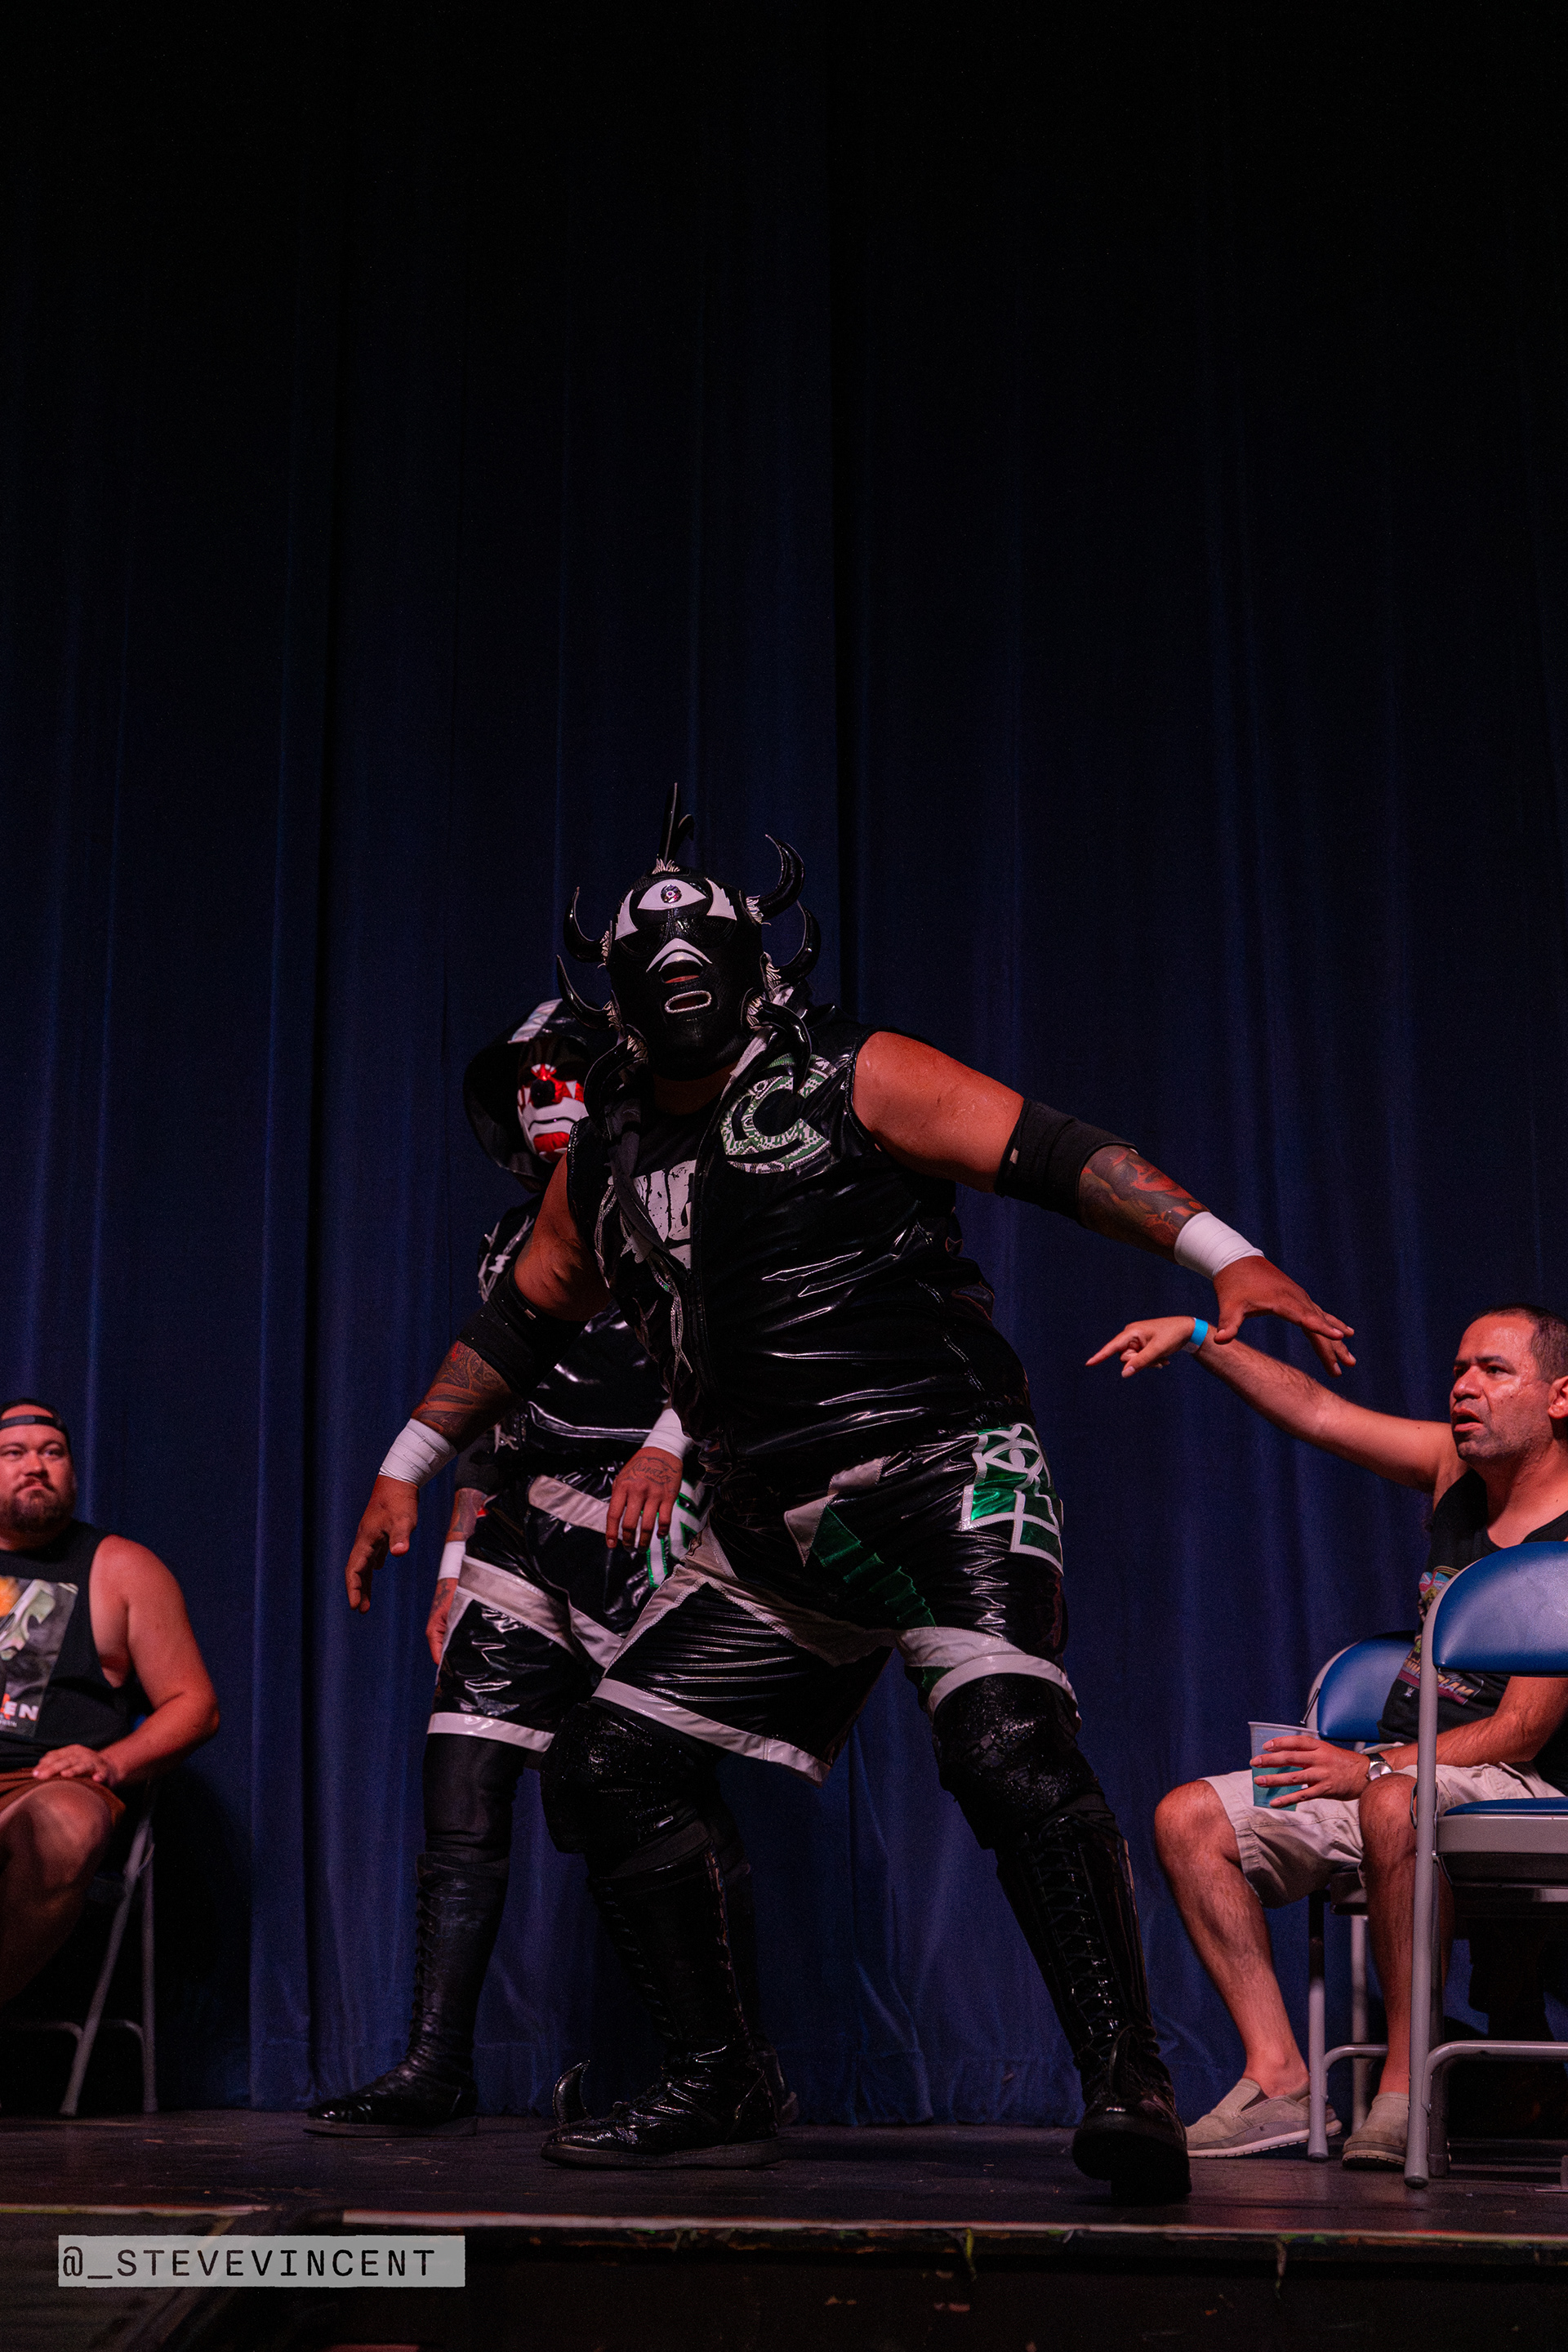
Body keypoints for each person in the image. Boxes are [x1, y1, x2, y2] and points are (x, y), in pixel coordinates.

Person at [345, 789, 1352, 2198]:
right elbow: (520, 1319)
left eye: (705, 968)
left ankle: (1127, 2080)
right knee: (606, 1765)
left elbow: (1057, 1153)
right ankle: (721, 2076)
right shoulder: (607, 1154)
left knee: (1005, 1748)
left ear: (756, 976)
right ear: (619, 1003)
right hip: (773, 1528)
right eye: (654, 977)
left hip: (944, 1473)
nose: (682, 994)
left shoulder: (856, 1073)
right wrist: (405, 1468)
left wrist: (1224, 1254)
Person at [1089, 1301, 1568, 2167]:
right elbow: (1316, 1411)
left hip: (1512, 1780)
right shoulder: (1450, 1470)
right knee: (1187, 1819)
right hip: (1396, 1766)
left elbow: (1521, 1731)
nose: (1464, 1387)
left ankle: (1405, 2089)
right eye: (1459, 1369)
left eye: (1494, 1371)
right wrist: (1199, 1341)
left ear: (1560, 1396)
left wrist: (1370, 1769)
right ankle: (1279, 2078)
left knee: (1389, 1804)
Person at [0, 1398, 219, 2011]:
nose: (35, 1466)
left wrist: (111, 1763)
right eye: (14, 1453)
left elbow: (195, 1704)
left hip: (43, 1784)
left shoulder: (122, 1568)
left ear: (72, 1471)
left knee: (66, 1825)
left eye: (52, 1453)